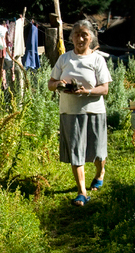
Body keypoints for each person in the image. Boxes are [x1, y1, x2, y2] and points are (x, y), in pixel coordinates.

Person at [48, 20, 112, 206]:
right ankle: (82, 192)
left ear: (91, 37)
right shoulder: (64, 59)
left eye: (84, 34)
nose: (80, 38)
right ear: (72, 37)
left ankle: (100, 172)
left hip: (94, 111)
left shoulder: (97, 59)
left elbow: (104, 89)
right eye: (76, 34)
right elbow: (51, 84)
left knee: (98, 152)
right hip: (70, 111)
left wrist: (87, 92)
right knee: (76, 151)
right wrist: (59, 84)